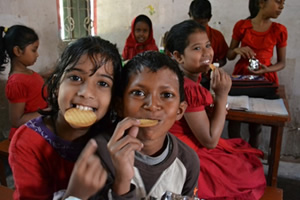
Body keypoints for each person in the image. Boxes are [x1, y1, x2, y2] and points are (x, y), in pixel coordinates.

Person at [8, 36, 122, 200]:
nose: (86, 92)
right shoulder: (27, 143)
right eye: (75, 78)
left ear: (113, 99)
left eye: (103, 83)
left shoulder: (112, 137)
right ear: (56, 86)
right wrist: (75, 195)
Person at [165, 20, 266, 200]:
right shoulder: (188, 88)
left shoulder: (187, 80)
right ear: (178, 57)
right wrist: (221, 96)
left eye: (208, 45)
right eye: (197, 48)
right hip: (187, 151)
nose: (207, 53)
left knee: (245, 162)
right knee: (247, 176)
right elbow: (210, 141)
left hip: (189, 141)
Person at [92, 51, 200, 199]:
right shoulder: (98, 151)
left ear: (179, 111)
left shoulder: (188, 161)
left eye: (166, 95)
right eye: (138, 93)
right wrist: (122, 181)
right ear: (119, 105)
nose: (152, 105)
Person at [227, 0, 287, 147]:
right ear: (261, 3)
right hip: (241, 76)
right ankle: (235, 157)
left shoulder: (279, 30)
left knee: (257, 125)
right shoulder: (242, 26)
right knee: (234, 120)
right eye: (278, 2)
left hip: (265, 79)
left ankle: (253, 158)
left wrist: (267, 69)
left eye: (283, 3)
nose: (282, 7)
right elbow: (229, 55)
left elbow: (282, 63)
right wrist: (236, 50)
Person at [0, 25, 48, 140]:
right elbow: (17, 120)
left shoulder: (26, 72)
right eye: (33, 50)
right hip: (26, 136)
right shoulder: (16, 82)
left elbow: (31, 87)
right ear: (17, 51)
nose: (37, 54)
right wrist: (47, 112)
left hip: (38, 128)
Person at [188, 0, 229, 90]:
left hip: (208, 80)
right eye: (195, 22)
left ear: (209, 18)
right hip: (187, 79)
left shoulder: (217, 36)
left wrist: (212, 66)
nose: (198, 26)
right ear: (189, 15)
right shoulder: (182, 36)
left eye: (202, 23)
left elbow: (223, 59)